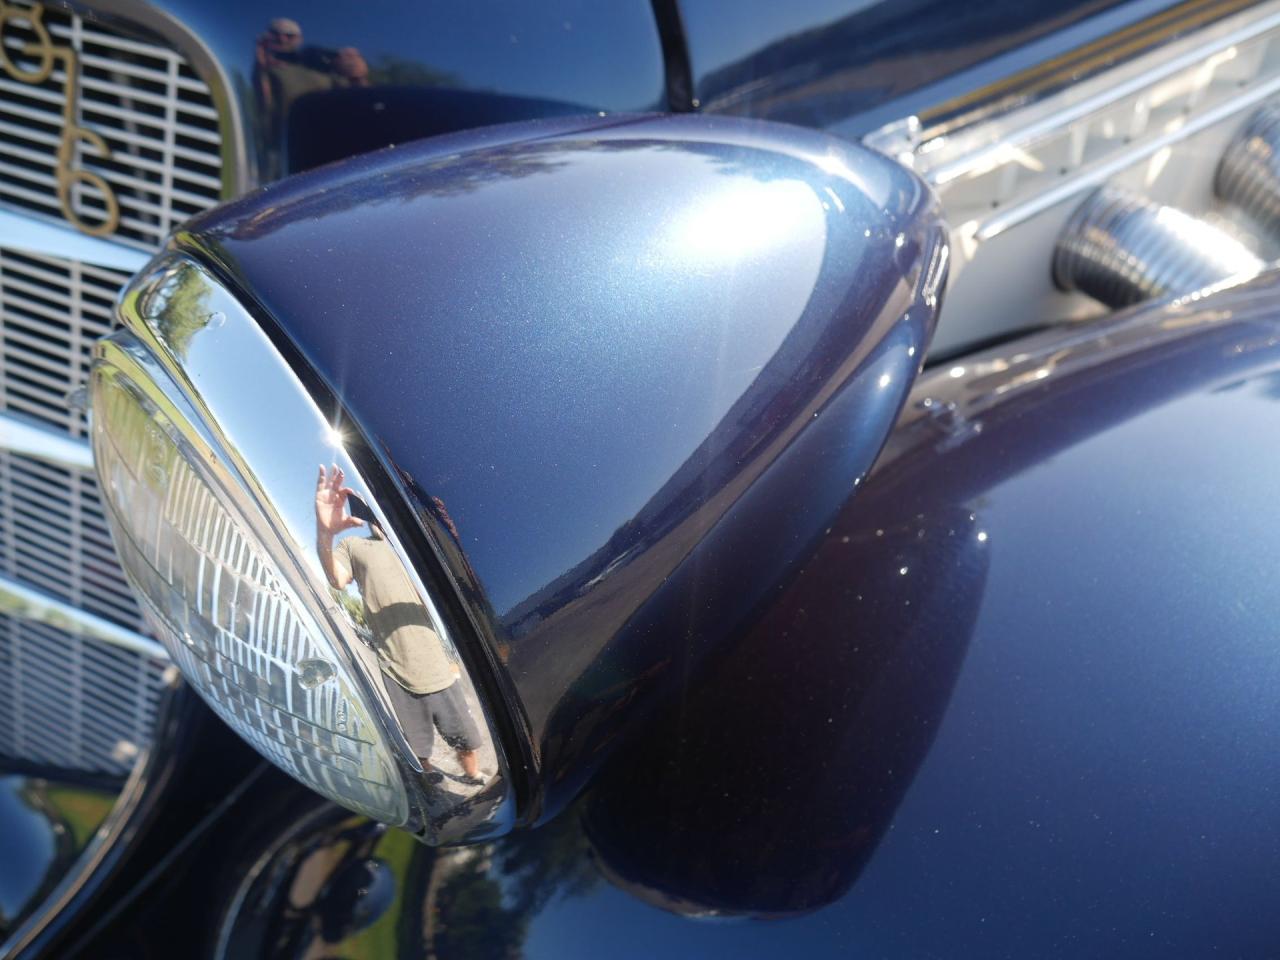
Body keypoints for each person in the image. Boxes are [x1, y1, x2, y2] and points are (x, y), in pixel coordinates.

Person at [314, 464, 483, 787]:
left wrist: (447, 528)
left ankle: (474, 776)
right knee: (417, 744)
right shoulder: (356, 546)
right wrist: (325, 534)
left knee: (465, 739)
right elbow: (337, 579)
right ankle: (428, 775)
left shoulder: (421, 548)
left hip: (440, 666)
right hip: (397, 670)